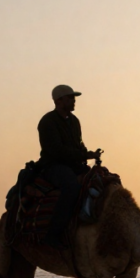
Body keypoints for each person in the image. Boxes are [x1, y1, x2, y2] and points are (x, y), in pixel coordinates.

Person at [37, 85, 100, 249]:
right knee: (71, 187)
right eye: (70, 98)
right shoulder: (47, 122)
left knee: (103, 179)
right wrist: (84, 156)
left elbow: (78, 145)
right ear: (58, 100)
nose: (73, 101)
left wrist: (89, 154)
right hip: (53, 166)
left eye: (74, 98)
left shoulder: (74, 121)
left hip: (74, 164)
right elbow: (56, 151)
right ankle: (53, 235)